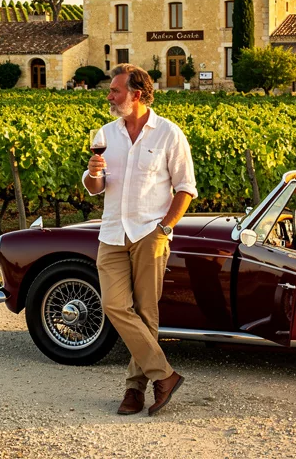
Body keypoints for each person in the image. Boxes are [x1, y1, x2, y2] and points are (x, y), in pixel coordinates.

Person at [82, 63, 197, 416]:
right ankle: (164, 374)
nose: (110, 96)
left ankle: (134, 390)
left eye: (115, 91)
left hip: (150, 232)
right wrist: (93, 174)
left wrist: (164, 228)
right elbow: (93, 189)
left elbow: (185, 188)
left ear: (138, 94)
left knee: (147, 313)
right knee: (114, 305)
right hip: (112, 232)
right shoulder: (105, 133)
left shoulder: (168, 134)